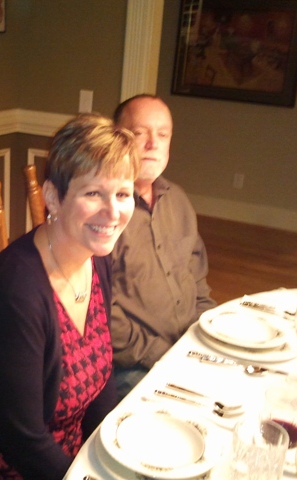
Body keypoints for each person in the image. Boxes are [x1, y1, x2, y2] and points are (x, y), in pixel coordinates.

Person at [0, 113, 140, 479]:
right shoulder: (14, 296)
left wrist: (111, 454)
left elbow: (101, 380)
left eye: (123, 194)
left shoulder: (96, 258)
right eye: (93, 193)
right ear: (52, 198)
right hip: (4, 466)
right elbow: (23, 440)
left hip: (67, 455)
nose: (113, 212)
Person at [110, 94, 217, 399]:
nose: (152, 144)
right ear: (116, 138)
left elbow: (197, 279)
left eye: (163, 134)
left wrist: (210, 333)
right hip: (132, 365)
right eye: (140, 133)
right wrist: (163, 354)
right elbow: (100, 313)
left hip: (188, 346)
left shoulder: (178, 200)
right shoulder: (105, 215)